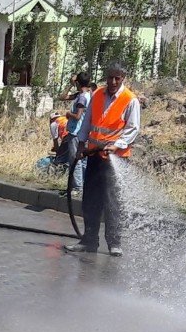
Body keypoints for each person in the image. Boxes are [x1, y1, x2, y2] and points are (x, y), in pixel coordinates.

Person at [64, 63, 140, 257]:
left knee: (112, 201)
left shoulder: (130, 100)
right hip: (94, 155)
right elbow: (87, 121)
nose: (113, 82)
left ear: (123, 78)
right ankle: (89, 241)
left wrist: (117, 144)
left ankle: (114, 243)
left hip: (115, 158)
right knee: (91, 200)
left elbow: (133, 128)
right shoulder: (97, 95)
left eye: (117, 78)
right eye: (110, 77)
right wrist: (81, 144)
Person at [58, 72, 92, 195]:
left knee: (75, 159)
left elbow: (77, 116)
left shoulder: (82, 97)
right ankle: (83, 186)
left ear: (77, 82)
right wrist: (70, 85)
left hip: (76, 131)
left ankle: (77, 187)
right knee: (83, 160)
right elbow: (62, 97)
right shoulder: (84, 95)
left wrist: (68, 114)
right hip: (84, 131)